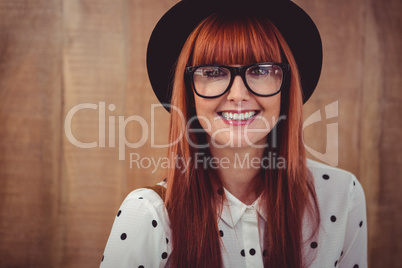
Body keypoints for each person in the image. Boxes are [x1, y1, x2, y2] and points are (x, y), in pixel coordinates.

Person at [100, 0, 367, 267]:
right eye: (214, 72)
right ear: (189, 93)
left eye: (261, 70)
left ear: (286, 88)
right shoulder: (147, 214)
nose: (238, 95)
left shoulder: (342, 196)